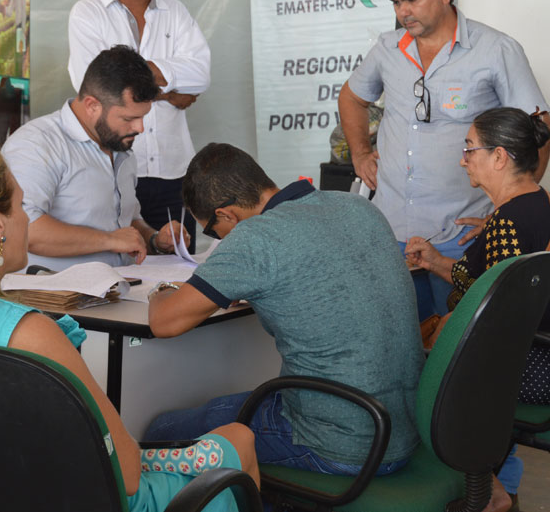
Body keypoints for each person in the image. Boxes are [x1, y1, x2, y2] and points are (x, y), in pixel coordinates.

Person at [0, 139, 258, 511]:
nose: (26, 219)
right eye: (21, 207)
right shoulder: (27, 332)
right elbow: (127, 475)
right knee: (237, 441)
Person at [144, 143, 424, 478]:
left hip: (338, 440)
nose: (219, 240)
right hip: (404, 428)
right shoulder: (357, 206)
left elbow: (164, 322)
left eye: (213, 232)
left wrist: (160, 290)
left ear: (227, 214)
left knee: (162, 430)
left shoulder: (255, 237)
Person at [337, 0, 550, 318]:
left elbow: (540, 131)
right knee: (401, 351)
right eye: (395, 2)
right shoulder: (388, 49)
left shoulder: (495, 50)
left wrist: (506, 215)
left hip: (461, 238)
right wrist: (359, 153)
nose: (403, 12)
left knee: (457, 360)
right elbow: (352, 98)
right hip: (391, 235)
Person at [404, 107, 550, 510]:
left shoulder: (507, 221)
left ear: (499, 157)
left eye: (470, 149)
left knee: (416, 378)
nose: (463, 159)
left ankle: (486, 493)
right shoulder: (540, 204)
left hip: (534, 366)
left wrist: (447, 329)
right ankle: (485, 485)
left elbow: (494, 311)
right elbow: (492, 285)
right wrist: (434, 260)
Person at [67, 0, 209, 251]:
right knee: (120, 271)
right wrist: (170, 91)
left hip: (174, 170)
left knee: (178, 265)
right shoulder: (88, 13)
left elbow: (201, 75)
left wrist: (134, 83)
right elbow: (93, 86)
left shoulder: (175, 11)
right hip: (113, 166)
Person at [2, 45, 188, 272]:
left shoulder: (119, 144)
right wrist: (109, 240)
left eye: (143, 117)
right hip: (53, 299)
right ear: (92, 105)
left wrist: (154, 239)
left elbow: (124, 221)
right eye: (129, 118)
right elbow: (22, 230)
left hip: (119, 292)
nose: (139, 127)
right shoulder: (36, 144)